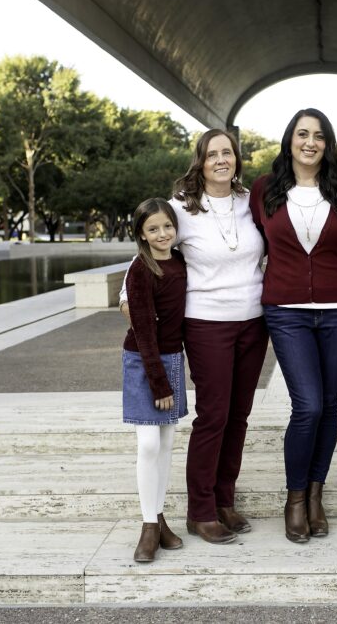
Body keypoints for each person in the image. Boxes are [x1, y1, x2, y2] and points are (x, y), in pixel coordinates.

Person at [124, 130, 268, 544]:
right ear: (200, 162)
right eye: (212, 154)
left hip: (253, 323)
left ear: (237, 159)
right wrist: (126, 297)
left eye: (228, 152)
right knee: (214, 416)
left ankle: (224, 499)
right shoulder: (180, 208)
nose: (221, 160)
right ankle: (200, 510)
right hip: (207, 324)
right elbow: (147, 249)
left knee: (238, 416)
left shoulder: (248, 202)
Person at [249, 109, 337, 543]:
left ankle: (316, 494)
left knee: (330, 404)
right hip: (286, 309)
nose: (310, 142)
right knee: (308, 405)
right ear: (289, 140)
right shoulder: (264, 189)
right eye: (302, 134)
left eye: (318, 135)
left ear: (327, 143)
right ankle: (295, 498)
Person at [122, 198, 189, 563]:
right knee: (148, 443)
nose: (162, 234)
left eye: (167, 226)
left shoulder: (180, 263)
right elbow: (144, 330)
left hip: (173, 360)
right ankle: (148, 526)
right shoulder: (140, 269)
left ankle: (160, 517)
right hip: (143, 361)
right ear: (141, 236)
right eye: (153, 229)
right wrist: (159, 383)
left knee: (165, 444)